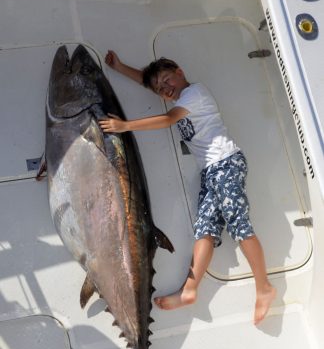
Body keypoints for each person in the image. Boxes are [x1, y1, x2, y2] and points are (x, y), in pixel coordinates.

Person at [99, 51, 277, 325]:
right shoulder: (178, 95)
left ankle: (264, 287)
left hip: (226, 164)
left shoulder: (195, 94)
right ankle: (190, 290)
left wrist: (125, 126)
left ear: (180, 72)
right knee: (204, 230)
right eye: (160, 88)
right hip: (210, 171)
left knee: (240, 226)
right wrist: (120, 67)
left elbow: (169, 119)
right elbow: (147, 83)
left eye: (167, 80)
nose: (164, 88)